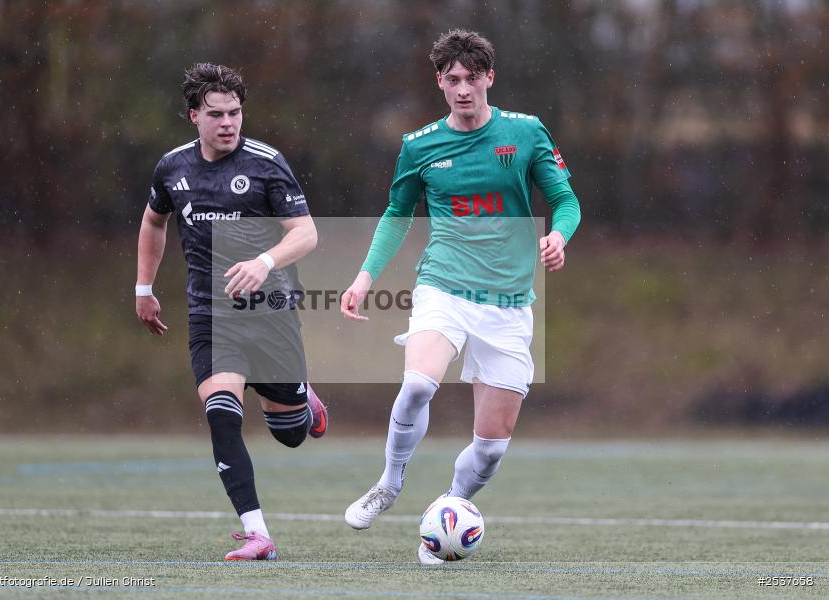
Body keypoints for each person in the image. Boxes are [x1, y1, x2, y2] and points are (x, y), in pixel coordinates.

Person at [340, 30, 581, 565]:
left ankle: (448, 511)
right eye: (453, 80)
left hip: (510, 301)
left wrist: (559, 235)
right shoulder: (420, 145)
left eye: (473, 79)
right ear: (440, 83)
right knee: (417, 385)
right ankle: (389, 481)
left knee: (492, 449)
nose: (464, 89)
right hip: (443, 285)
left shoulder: (526, 133)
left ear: (489, 78)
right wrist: (364, 276)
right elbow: (396, 214)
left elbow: (566, 201)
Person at [135, 62, 328, 561]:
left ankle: (301, 397)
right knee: (222, 415)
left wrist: (264, 262)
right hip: (211, 317)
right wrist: (143, 287)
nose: (229, 123)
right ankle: (257, 532)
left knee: (289, 436)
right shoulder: (173, 168)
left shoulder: (266, 163)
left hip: (270, 313)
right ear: (193, 116)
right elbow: (154, 222)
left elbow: (306, 232)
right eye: (217, 114)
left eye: (236, 112)